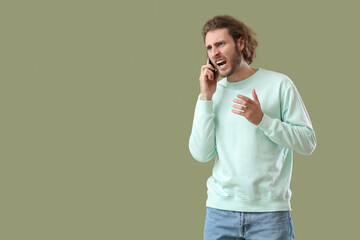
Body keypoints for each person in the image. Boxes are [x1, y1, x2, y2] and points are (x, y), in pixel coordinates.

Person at [188, 15, 317, 240]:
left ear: (241, 42)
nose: (214, 52)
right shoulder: (211, 94)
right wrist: (206, 98)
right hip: (220, 213)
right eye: (209, 47)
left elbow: (308, 143)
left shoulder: (279, 84)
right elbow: (200, 154)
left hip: (270, 216)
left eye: (220, 44)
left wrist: (263, 121)